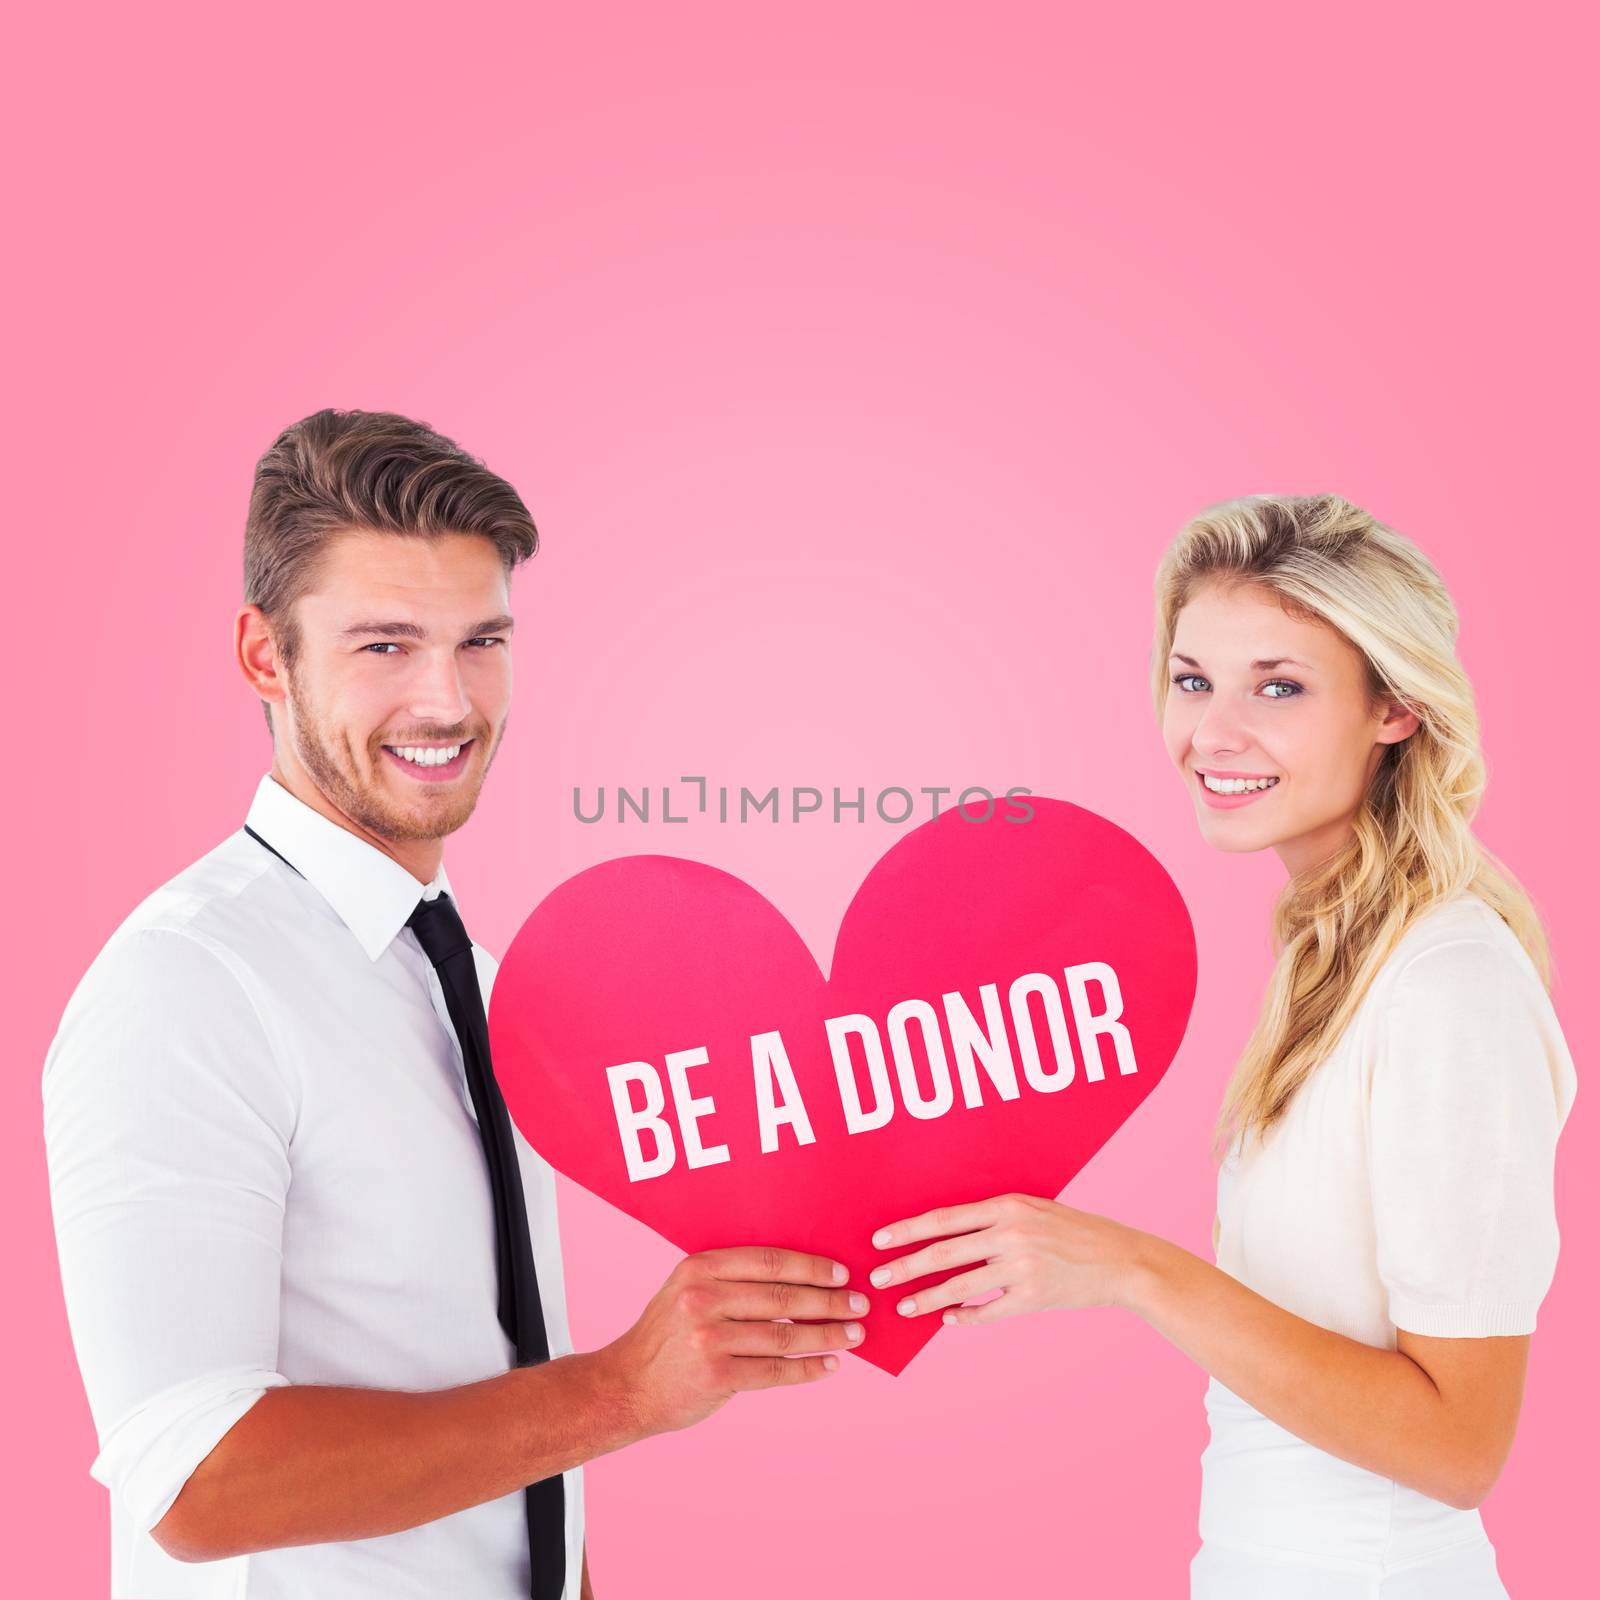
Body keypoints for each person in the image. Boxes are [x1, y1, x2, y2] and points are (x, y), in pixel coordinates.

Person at [41, 408, 870, 1600]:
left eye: (481, 640)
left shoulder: (472, 982)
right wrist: (629, 1387)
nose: (448, 700)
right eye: (385, 645)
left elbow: (497, 1374)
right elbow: (193, 1481)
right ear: (265, 657)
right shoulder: (186, 984)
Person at [868, 493, 1577, 1596]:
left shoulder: (1447, 984)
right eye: (1193, 679)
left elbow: (1458, 1446)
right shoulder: (1327, 950)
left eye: (1278, 687)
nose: (1212, 734)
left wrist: (1133, 1269)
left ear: (1394, 708)